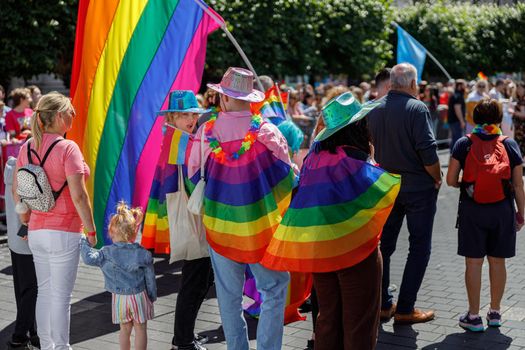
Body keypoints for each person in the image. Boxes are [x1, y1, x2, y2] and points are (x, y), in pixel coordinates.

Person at [262, 92, 400, 349]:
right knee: (358, 324)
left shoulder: (314, 158)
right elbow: (377, 198)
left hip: (322, 253)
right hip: (358, 253)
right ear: (358, 126)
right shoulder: (357, 160)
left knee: (327, 321)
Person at [188, 67, 295, 350]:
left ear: (224, 98)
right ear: (250, 98)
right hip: (262, 229)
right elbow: (287, 181)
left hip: (220, 228)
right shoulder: (268, 132)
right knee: (273, 290)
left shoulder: (205, 133)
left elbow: (193, 179)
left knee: (229, 297)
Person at [13, 92, 96, 350]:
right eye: (71, 111)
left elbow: (19, 191)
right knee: (61, 297)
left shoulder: (27, 146)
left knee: (46, 294)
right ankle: (61, 348)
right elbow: (79, 195)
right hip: (65, 230)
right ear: (59, 116)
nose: (74, 116)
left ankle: (49, 347)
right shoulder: (67, 148)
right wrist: (91, 231)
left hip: (36, 230)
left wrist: (26, 220)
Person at [367, 63, 442, 324]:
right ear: (412, 84)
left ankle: (385, 304)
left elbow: (371, 147)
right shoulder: (417, 108)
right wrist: (437, 177)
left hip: (387, 187)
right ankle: (405, 307)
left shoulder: (374, 108)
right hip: (418, 187)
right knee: (419, 247)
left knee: (384, 247)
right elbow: (428, 152)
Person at [447, 98, 524, 332]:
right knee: (497, 261)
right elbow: (518, 184)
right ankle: (495, 312)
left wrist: (470, 184)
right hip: (502, 210)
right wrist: (521, 213)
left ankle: (473, 315)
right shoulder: (509, 144)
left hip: (472, 210)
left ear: (474, 118)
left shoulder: (464, 143)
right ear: (500, 119)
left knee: (473, 262)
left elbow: (450, 180)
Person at [143, 90, 212, 350]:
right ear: (171, 116)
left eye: (193, 114)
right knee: (196, 279)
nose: (190, 119)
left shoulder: (176, 137)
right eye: (184, 114)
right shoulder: (181, 140)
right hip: (192, 215)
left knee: (199, 278)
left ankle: (184, 336)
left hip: (186, 213)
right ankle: (182, 341)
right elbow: (194, 178)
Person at [80, 203, 156, 350]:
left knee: (124, 330)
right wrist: (151, 296)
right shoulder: (142, 253)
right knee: (140, 330)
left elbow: (89, 258)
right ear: (134, 232)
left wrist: (83, 240)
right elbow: (150, 278)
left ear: (111, 233)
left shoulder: (106, 252)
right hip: (139, 296)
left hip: (120, 298)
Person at [5, 156, 39, 349]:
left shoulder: (11, 168)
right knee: (31, 290)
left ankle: (32, 331)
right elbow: (27, 207)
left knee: (22, 289)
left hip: (14, 240)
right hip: (27, 240)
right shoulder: (26, 171)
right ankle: (19, 336)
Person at [448, 79, 467, 151]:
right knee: (457, 139)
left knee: (454, 139)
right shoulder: (458, 95)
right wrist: (462, 121)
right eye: (464, 85)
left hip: (453, 121)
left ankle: (452, 156)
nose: (465, 87)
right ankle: (455, 158)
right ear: (460, 86)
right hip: (456, 121)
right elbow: (457, 109)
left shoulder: (455, 94)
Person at [511, 82, 525, 158]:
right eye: (518, 88)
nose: (518, 90)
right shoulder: (520, 99)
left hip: (522, 129)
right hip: (519, 128)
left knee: (521, 147)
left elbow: (523, 115)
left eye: (520, 88)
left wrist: (513, 112)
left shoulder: (523, 100)